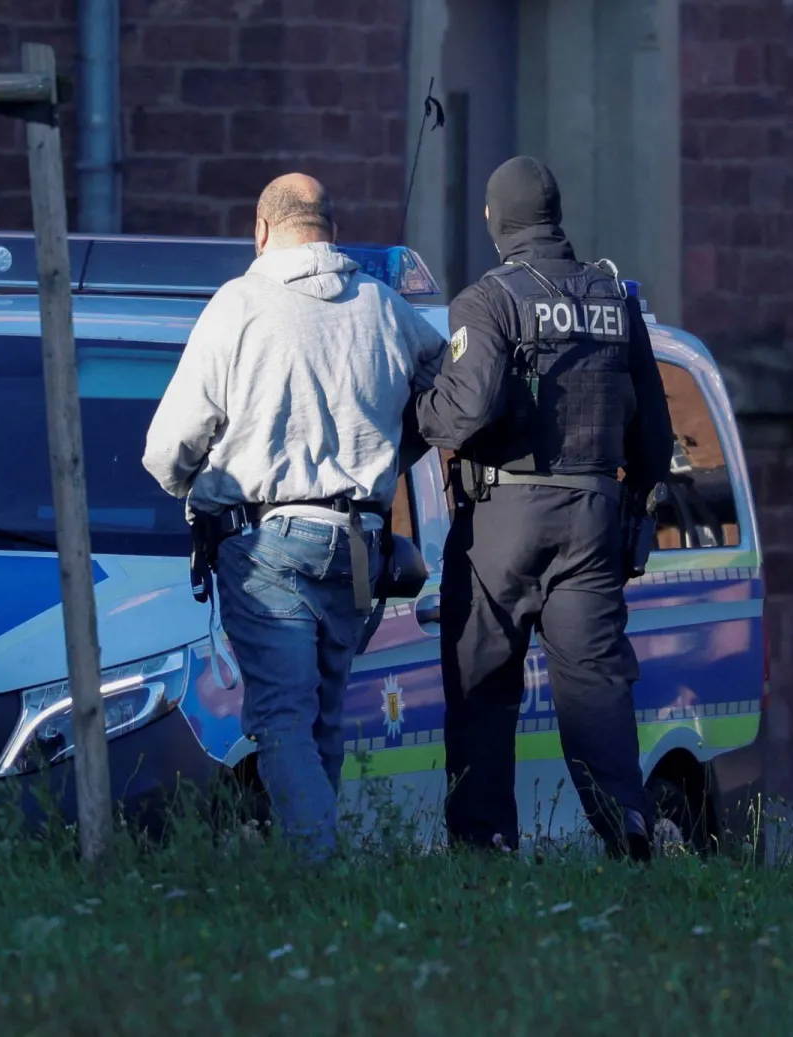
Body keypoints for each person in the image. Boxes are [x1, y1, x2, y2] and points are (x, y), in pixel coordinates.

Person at [142, 174, 447, 860]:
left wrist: (188, 479)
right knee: (323, 721)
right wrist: (397, 446)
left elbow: (167, 450)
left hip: (267, 543)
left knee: (281, 720)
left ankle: (316, 872)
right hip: (361, 547)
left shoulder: (239, 304)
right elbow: (447, 388)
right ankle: (315, 866)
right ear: (330, 230)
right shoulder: (383, 304)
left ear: (261, 230)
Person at [412, 156, 674, 862]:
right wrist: (632, 505)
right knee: (593, 687)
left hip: (503, 518)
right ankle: (630, 828)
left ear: (496, 219)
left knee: (483, 686)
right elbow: (654, 435)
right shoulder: (615, 298)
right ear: (555, 215)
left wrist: (421, 408)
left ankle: (484, 847)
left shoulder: (488, 300)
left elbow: (464, 412)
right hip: (593, 516)